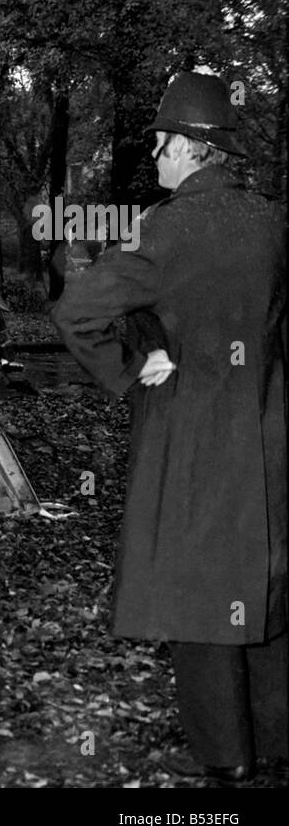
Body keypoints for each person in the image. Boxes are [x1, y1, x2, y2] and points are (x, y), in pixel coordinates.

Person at [52, 70, 288, 782]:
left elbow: (76, 312)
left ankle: (225, 760)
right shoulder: (273, 222)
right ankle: (277, 745)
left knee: (198, 590)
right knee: (267, 582)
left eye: (161, 141)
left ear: (189, 148)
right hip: (269, 430)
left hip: (193, 433)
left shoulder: (166, 228)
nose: (155, 153)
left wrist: (132, 365)